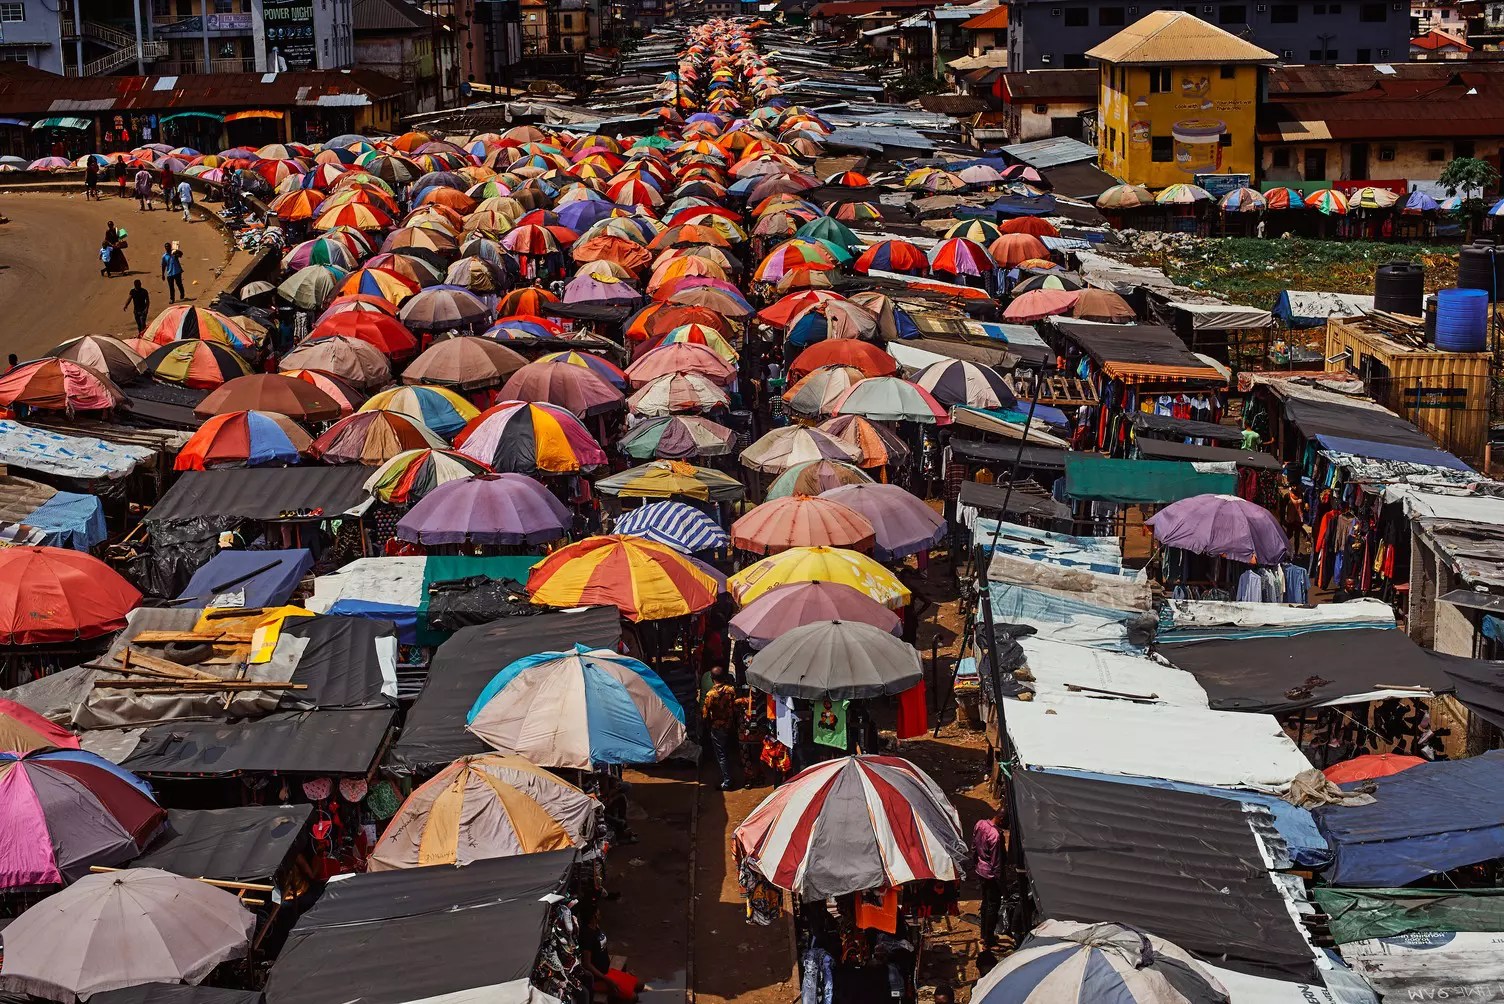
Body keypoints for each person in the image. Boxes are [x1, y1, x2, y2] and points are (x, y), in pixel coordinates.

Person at [971, 806, 1007, 949]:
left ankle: (984, 935)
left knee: (985, 903)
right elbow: (997, 863)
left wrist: (976, 864)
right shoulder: (996, 836)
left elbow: (974, 846)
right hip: (991, 875)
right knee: (993, 906)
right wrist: (1002, 884)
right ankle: (989, 942)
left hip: (980, 870)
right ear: (1002, 819)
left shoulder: (980, 824)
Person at [701, 665, 739, 790]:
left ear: (712, 678)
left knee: (721, 755)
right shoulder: (731, 690)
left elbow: (705, 714)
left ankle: (727, 782)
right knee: (729, 752)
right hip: (730, 725)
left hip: (717, 728)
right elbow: (735, 707)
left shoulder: (710, 695)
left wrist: (707, 726)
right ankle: (732, 775)